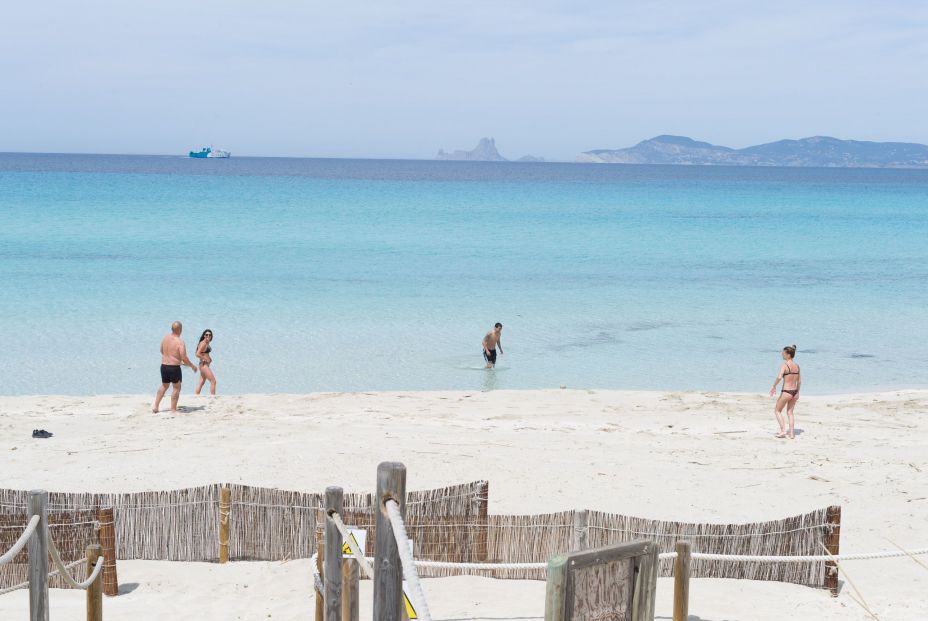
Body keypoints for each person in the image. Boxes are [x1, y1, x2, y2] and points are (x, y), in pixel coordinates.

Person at [152, 321, 198, 413]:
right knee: (176, 388)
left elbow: (161, 350)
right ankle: (173, 409)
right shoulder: (180, 341)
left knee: (164, 386)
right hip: (174, 368)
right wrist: (192, 366)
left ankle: (156, 406)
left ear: (172, 329)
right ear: (180, 330)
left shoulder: (165, 338)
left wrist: (170, 357)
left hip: (164, 366)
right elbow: (184, 357)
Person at [769, 344, 801, 439]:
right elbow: (799, 381)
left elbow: (779, 377)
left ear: (788, 354)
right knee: (790, 413)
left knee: (777, 410)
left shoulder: (785, 365)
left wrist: (773, 386)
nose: (782, 354)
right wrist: (798, 392)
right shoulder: (797, 366)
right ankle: (791, 434)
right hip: (795, 392)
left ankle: (783, 431)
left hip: (786, 391)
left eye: (783, 353)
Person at [195, 329, 217, 395]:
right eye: (206, 334)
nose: (208, 336)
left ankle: (196, 396)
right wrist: (206, 359)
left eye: (210, 335)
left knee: (201, 382)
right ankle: (213, 397)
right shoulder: (203, 343)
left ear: (211, 336)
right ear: (204, 335)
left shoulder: (206, 343)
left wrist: (209, 359)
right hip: (203, 364)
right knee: (213, 381)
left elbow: (205, 353)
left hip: (203, 365)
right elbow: (197, 354)